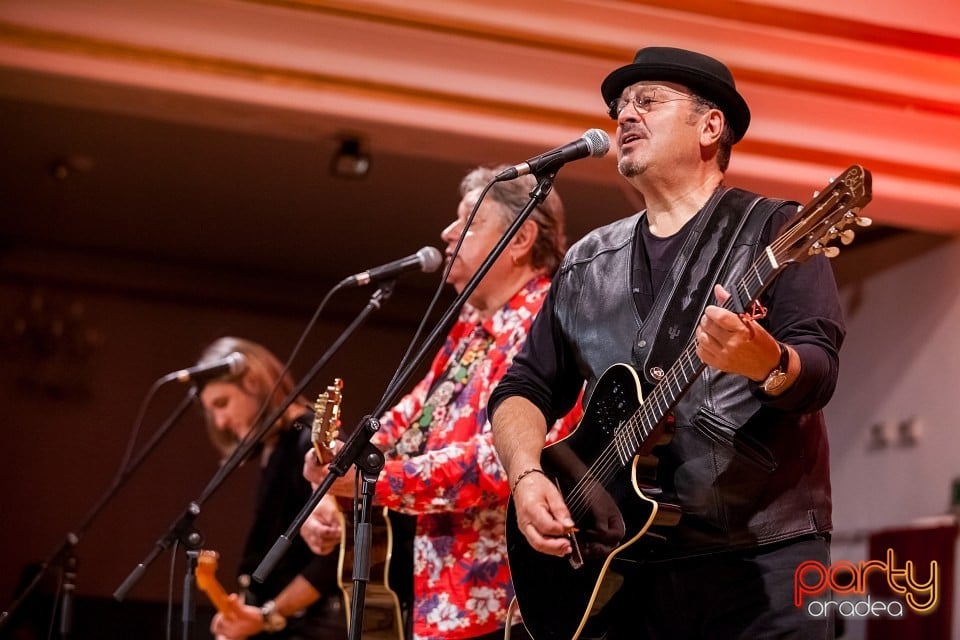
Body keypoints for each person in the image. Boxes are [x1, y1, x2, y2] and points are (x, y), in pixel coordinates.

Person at [489, 46, 845, 639]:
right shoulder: (586, 263)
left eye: (647, 102)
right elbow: (522, 388)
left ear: (711, 126)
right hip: (623, 567)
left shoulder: (776, 231)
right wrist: (527, 476)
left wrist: (767, 362)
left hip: (762, 558)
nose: (625, 116)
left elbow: (818, 371)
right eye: (620, 107)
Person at [302, 165, 578, 640]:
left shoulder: (550, 318)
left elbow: (497, 461)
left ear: (520, 239)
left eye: (469, 221)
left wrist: (370, 481)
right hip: (443, 600)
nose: (448, 233)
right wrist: (333, 480)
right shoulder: (470, 323)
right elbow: (410, 418)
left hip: (511, 605)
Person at [197, 336, 346, 640]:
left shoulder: (310, 441)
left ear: (253, 382)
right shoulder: (275, 447)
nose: (221, 421)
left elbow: (342, 554)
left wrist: (268, 615)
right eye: (211, 412)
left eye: (222, 404)